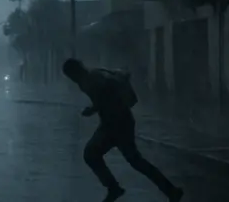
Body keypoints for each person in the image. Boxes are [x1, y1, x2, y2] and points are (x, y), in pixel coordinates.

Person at [62, 58, 184, 202]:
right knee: (134, 161)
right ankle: (170, 190)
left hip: (116, 124)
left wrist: (94, 109)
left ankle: (115, 188)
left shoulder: (90, 80)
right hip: (116, 122)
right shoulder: (93, 76)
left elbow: (107, 97)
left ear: (74, 73)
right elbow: (107, 96)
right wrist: (95, 108)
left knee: (93, 154)